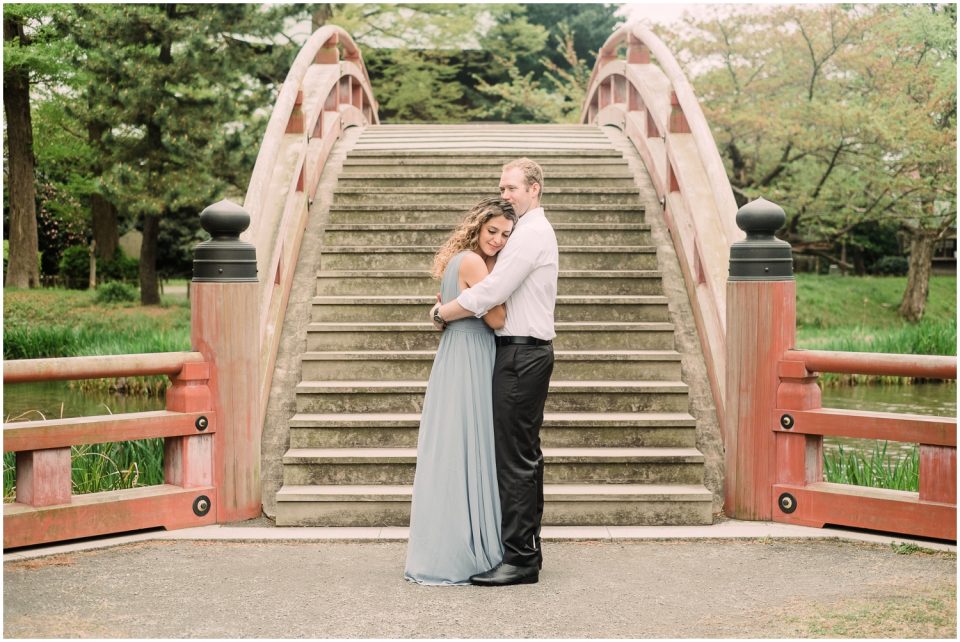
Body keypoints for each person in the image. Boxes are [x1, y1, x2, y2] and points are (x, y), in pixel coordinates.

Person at [430, 158, 558, 587]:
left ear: (534, 188)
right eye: (501, 189)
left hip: (522, 355)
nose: (505, 195)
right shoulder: (527, 232)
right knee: (524, 456)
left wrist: (443, 311)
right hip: (523, 354)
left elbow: (492, 293)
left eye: (512, 188)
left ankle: (520, 558)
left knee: (515, 460)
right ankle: (526, 551)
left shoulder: (532, 234)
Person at [404, 197, 518, 585]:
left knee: (459, 446)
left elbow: (450, 309)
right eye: (492, 231)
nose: (498, 240)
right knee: (468, 446)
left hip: (459, 352)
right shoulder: (471, 261)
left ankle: (453, 543)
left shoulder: (462, 262)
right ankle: (465, 550)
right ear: (477, 226)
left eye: (506, 235)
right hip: (471, 354)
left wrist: (443, 311)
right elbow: (498, 317)